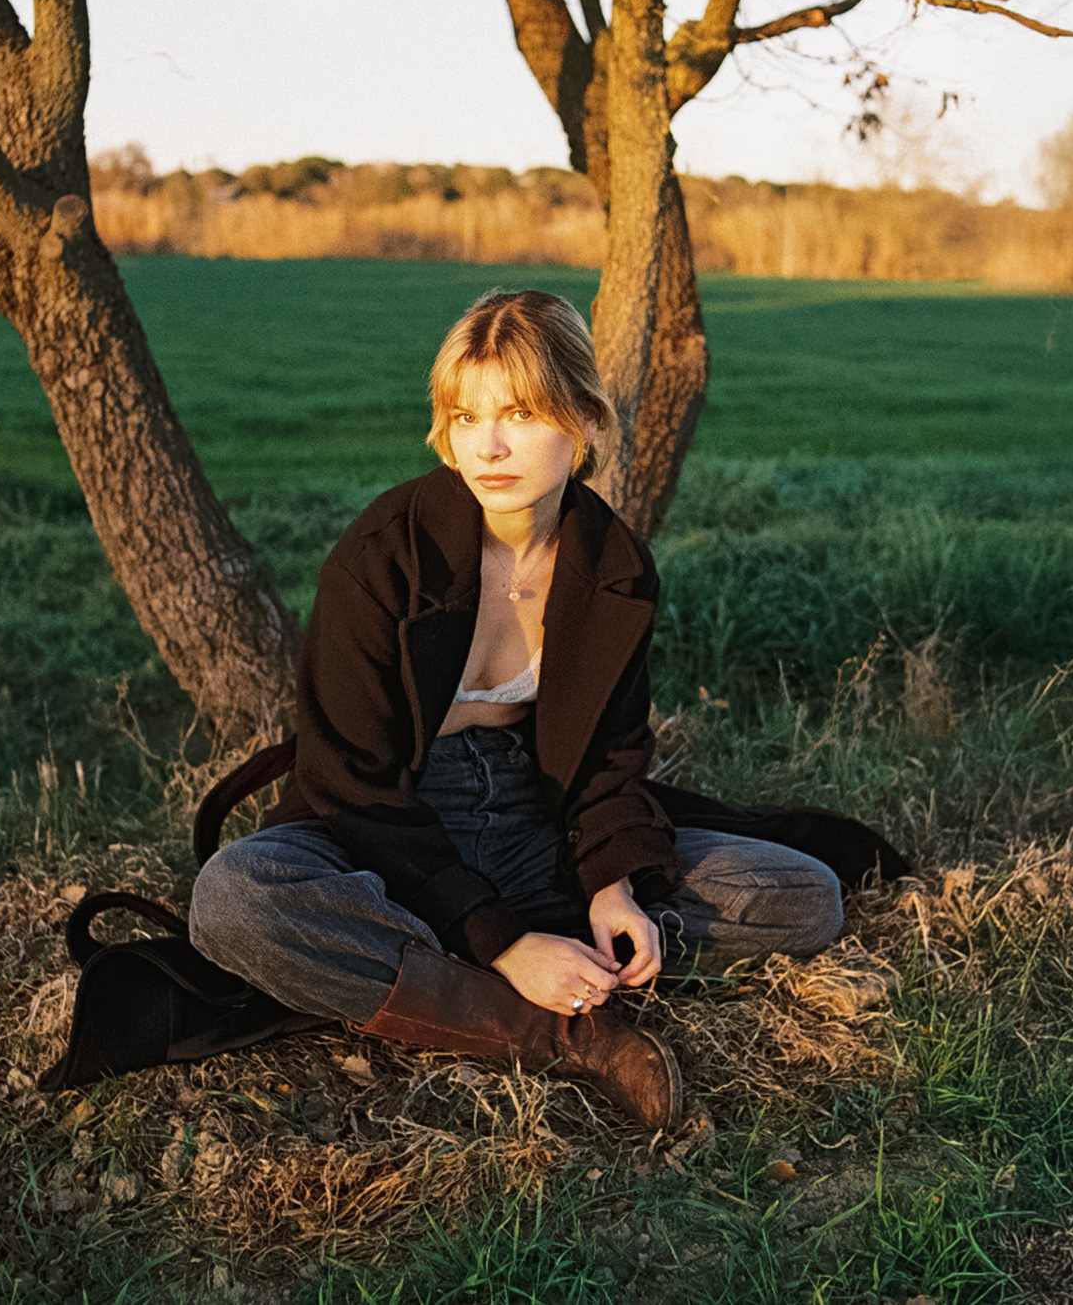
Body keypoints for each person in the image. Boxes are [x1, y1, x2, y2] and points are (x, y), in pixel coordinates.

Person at [189, 289, 844, 1131]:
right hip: (390, 824)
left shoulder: (615, 566)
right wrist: (503, 940)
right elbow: (350, 784)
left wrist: (611, 886)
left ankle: (490, 965)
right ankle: (551, 1026)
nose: (488, 446)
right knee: (233, 900)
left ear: (586, 420)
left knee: (803, 894)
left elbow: (609, 756)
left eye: (521, 413)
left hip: (536, 821)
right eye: (467, 417)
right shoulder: (384, 553)